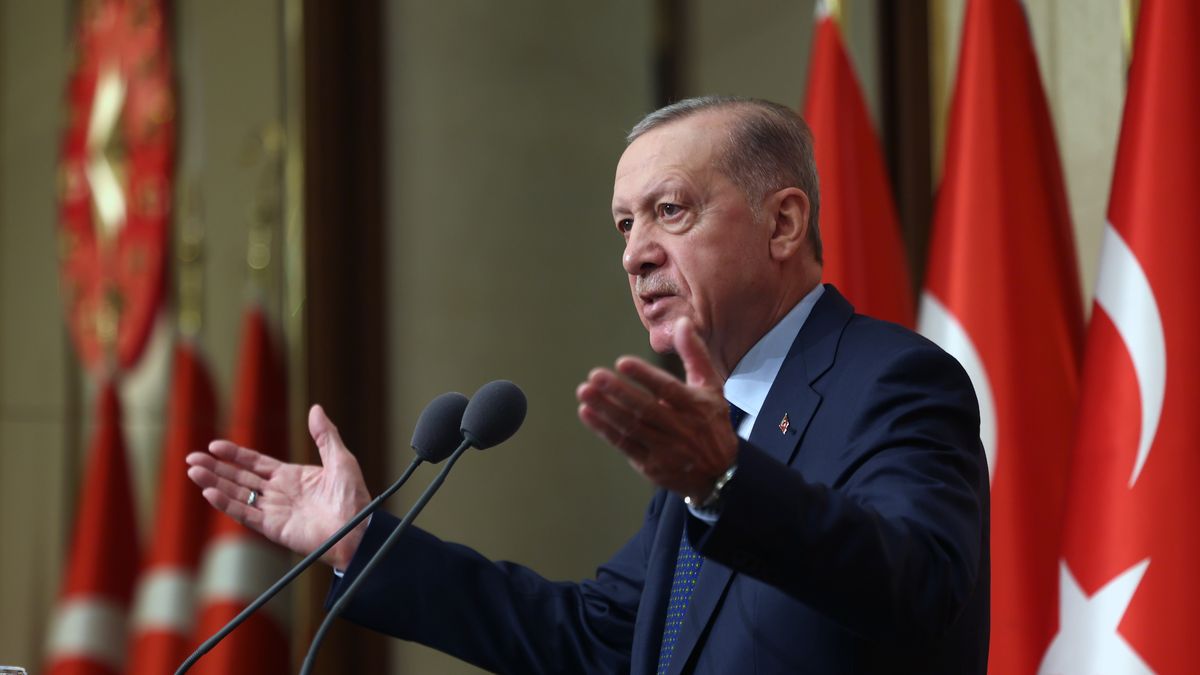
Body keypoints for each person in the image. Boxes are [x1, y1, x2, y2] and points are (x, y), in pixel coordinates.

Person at [187, 96, 989, 674]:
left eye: (669, 211)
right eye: (623, 224)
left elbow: (920, 589)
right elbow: (596, 637)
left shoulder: (894, 381)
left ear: (783, 223)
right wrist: (363, 543)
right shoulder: (719, 424)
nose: (634, 252)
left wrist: (729, 483)